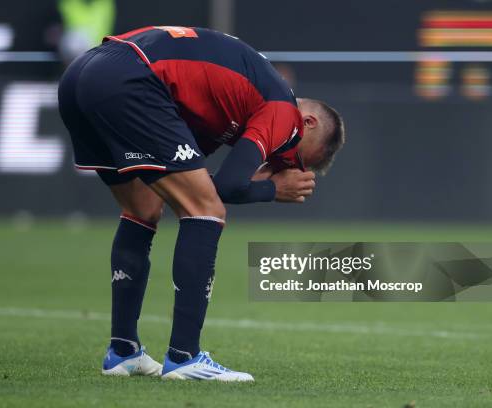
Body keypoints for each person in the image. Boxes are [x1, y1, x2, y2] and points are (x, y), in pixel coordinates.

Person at [58, 26, 345, 382]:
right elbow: (222, 189)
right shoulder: (284, 111)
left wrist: (254, 182)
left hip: (83, 74)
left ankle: (123, 352)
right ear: (308, 122)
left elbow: (205, 182)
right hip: (131, 77)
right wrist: (273, 189)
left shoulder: (229, 108)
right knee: (206, 212)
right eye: (297, 159)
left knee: (143, 209)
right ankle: (184, 357)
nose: (286, 164)